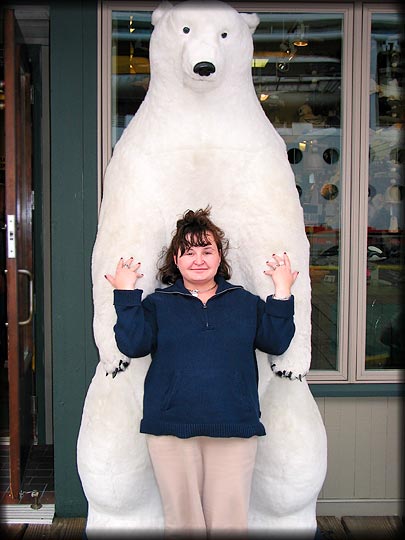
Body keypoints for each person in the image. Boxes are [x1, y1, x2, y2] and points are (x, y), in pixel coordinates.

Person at [105, 207, 298, 538]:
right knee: (183, 523)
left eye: (207, 250)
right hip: (171, 427)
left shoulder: (245, 302)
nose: (199, 259)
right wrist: (125, 295)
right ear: (175, 260)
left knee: (229, 523)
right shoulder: (157, 304)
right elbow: (133, 345)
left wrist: (282, 292)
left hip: (234, 424)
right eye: (189, 252)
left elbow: (276, 343)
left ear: (219, 256)